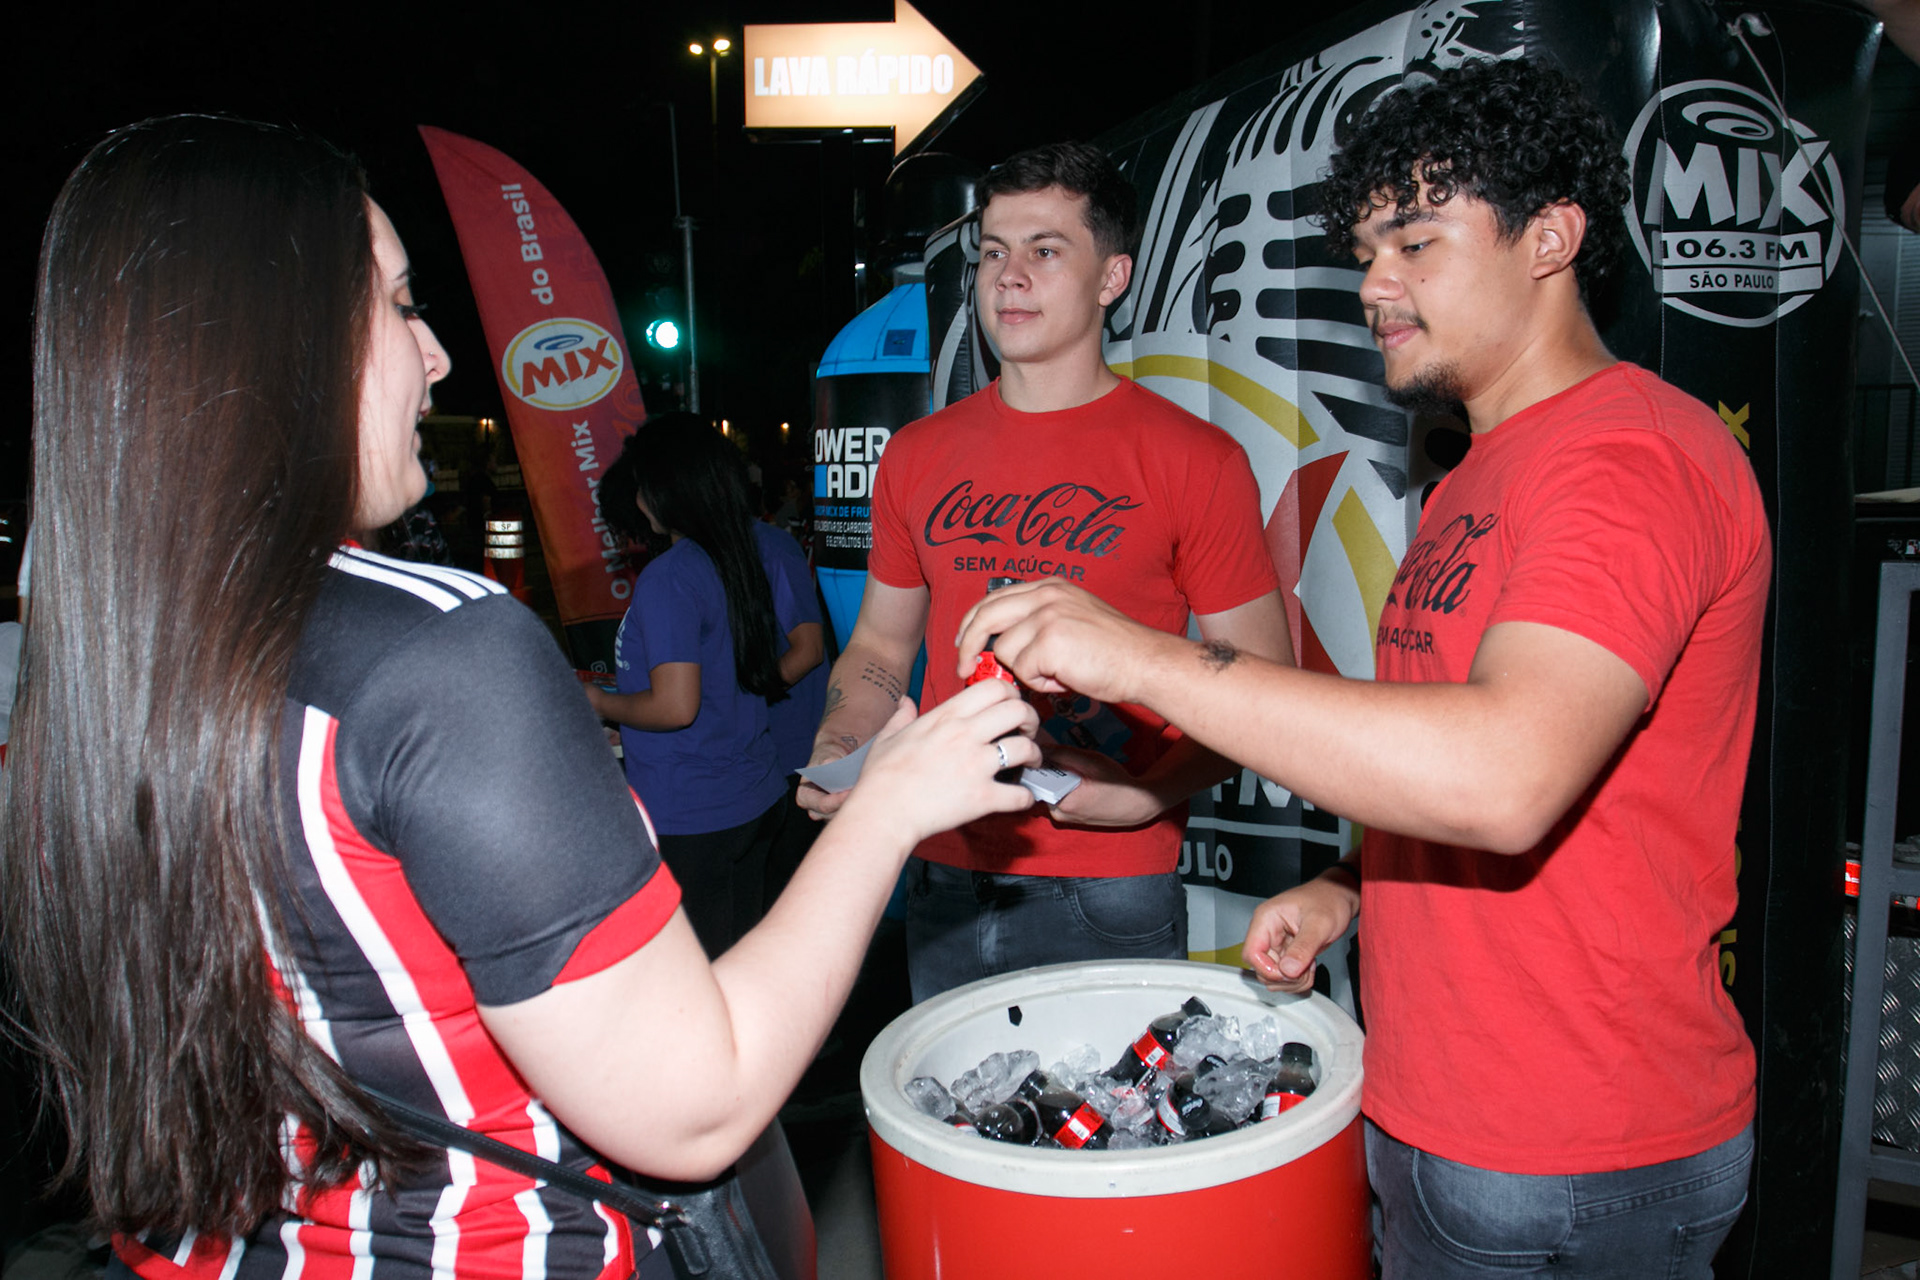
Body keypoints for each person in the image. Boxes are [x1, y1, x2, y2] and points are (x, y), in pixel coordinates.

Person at [1, 115, 1041, 1280]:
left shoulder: (92, 668)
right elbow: (694, 1101)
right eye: (397, 305)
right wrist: (890, 802)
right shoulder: (439, 654)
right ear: (275, 339)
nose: (438, 353)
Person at [957, 57, 1767, 1278]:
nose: (1373, 281)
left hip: (1574, 1151)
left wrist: (1143, 657)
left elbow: (1505, 777)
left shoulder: (1628, 461)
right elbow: (1449, 745)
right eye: (1365, 246)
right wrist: (1353, 882)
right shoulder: (1472, 475)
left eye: (1416, 242)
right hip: (1440, 1111)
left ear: (1550, 239)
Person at [798, 141, 1293, 1003]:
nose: (1008, 275)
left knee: (1110, 1131)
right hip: (940, 860)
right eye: (992, 252)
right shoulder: (917, 454)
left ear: (1113, 278)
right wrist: (842, 745)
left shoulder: (1195, 460)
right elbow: (880, 642)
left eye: (1045, 249)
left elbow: (1264, 682)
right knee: (948, 1129)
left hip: (1110, 879)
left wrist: (1148, 795)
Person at [585, 418, 810, 954]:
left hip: (693, 810)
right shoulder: (737, 556)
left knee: (698, 979)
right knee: (742, 963)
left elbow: (676, 705)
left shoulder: (670, 576)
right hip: (753, 795)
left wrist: (597, 701)